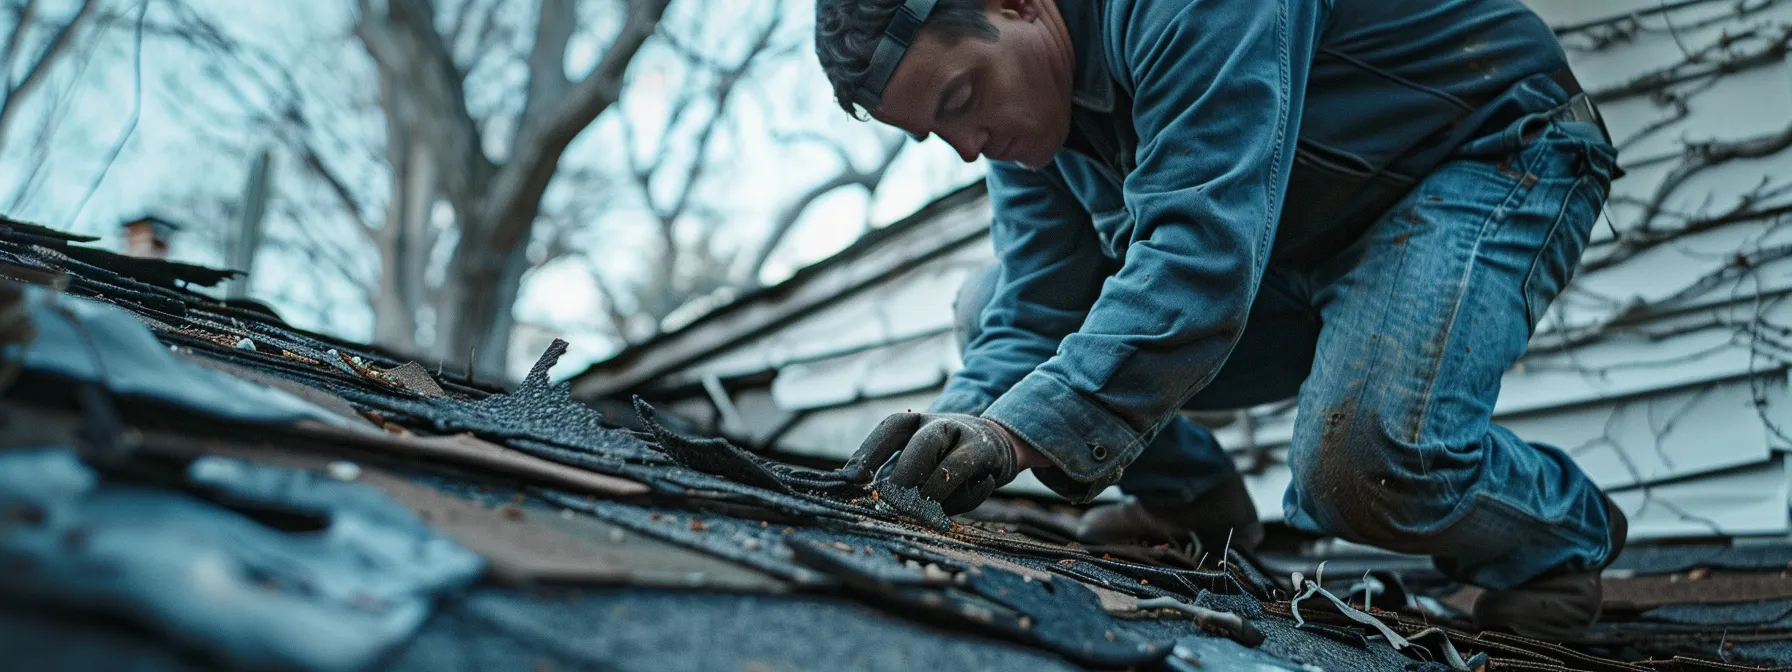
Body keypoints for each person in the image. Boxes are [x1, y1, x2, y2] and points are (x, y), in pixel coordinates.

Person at [813, 0, 1626, 639]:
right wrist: (955, 426)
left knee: (1367, 464)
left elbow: (1200, 263)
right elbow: (1030, 311)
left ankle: (1559, 542)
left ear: (1019, 3)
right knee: (985, 304)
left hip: (1485, 155)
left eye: (962, 99)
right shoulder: (1030, 118)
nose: (967, 147)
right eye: (937, 131)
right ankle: (1194, 506)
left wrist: (1018, 434)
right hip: (1285, 241)